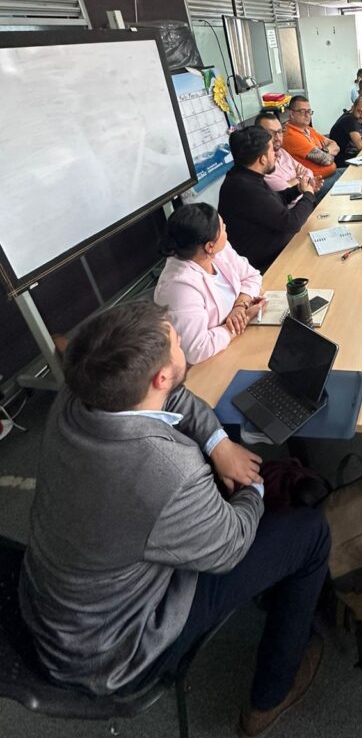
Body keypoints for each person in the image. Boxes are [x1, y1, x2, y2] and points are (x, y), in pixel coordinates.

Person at [20, 302, 330, 737]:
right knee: (310, 532)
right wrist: (254, 485)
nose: (183, 341)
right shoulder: (169, 470)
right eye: (178, 344)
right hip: (114, 650)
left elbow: (175, 395)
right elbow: (233, 543)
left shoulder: (82, 392)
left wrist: (220, 443)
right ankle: (270, 696)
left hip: (57, 608)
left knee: (222, 486)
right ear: (159, 376)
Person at [154, 203, 266, 365]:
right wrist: (245, 318)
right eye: (222, 227)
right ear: (210, 246)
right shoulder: (179, 287)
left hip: (234, 344)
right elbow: (197, 349)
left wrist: (240, 307)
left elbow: (252, 276)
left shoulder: (217, 252)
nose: (226, 227)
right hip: (209, 365)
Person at [218, 125, 316, 272]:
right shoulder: (244, 188)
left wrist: (298, 190)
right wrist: (309, 195)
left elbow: (274, 200)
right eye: (271, 150)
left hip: (280, 251)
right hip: (267, 266)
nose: (276, 154)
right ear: (262, 159)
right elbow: (290, 222)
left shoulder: (245, 175)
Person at [254, 109, 339, 203]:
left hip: (309, 191)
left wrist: (296, 180)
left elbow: (308, 172)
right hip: (301, 202)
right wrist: (299, 177)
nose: (278, 137)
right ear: (292, 114)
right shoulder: (262, 164)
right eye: (271, 133)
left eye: (280, 131)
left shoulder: (282, 152)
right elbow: (287, 192)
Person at [281, 95, 342, 187]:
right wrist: (326, 153)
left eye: (309, 111)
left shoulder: (308, 129)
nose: (307, 115)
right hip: (317, 183)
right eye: (302, 111)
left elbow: (335, 145)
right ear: (291, 113)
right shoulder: (292, 136)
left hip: (332, 174)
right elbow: (327, 160)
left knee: (356, 173)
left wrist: (324, 151)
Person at [329, 97, 362, 165]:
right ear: (353, 107)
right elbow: (359, 144)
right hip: (344, 160)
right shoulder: (350, 119)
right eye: (359, 111)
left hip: (354, 156)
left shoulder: (361, 118)